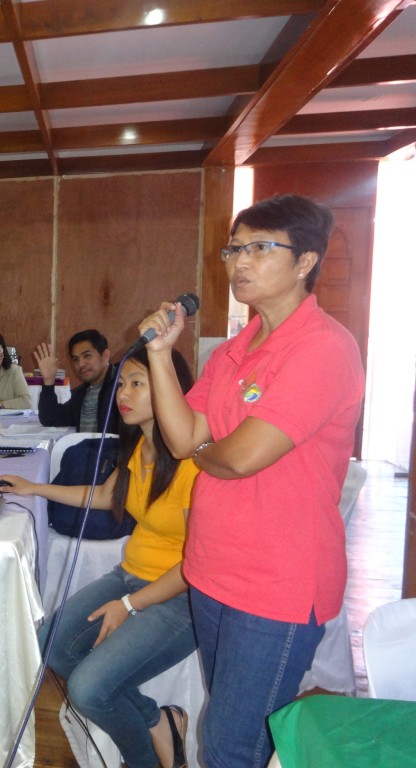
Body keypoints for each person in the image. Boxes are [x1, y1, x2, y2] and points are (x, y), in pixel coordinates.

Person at [138, 194, 365, 768]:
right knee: (226, 731)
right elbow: (180, 437)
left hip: (278, 585)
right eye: (234, 248)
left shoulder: (323, 348)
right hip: (214, 570)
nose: (240, 261)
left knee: (232, 748)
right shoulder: (234, 350)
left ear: (306, 261)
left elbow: (239, 457)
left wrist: (208, 446)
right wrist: (162, 356)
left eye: (260, 247)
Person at [0, 347, 198, 768]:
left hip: (182, 596)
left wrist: (128, 605)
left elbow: (199, 562)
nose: (124, 394)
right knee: (51, 643)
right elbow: (106, 496)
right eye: (122, 383)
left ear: (169, 388)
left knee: (89, 690)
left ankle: (145, 760)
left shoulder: (194, 461)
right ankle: (159, 720)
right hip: (132, 575)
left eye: (137, 383)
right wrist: (35, 489)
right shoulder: (139, 445)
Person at [35, 329, 119, 432]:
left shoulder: (121, 387)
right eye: (75, 359)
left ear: (105, 355)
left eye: (87, 356)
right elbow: (50, 419)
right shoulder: (81, 394)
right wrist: (48, 380)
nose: (81, 364)